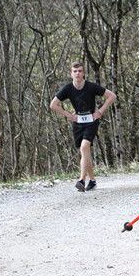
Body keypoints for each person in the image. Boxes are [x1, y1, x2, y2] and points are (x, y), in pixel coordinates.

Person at [50, 62, 117, 192]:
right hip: (78, 122)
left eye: (80, 71)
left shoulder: (91, 86)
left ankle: (81, 180)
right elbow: (53, 105)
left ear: (83, 73)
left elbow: (112, 96)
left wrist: (99, 112)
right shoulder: (68, 88)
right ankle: (92, 180)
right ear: (71, 73)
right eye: (75, 71)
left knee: (84, 147)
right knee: (84, 152)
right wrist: (69, 116)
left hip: (91, 121)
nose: (77, 73)